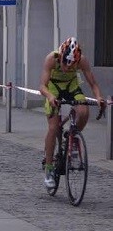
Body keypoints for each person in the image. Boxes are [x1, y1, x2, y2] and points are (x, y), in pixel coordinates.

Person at [39, 37, 105, 189]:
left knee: (83, 110)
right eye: (64, 64)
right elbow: (42, 86)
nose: (67, 68)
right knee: (53, 127)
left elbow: (93, 84)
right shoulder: (51, 58)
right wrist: (50, 96)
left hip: (71, 86)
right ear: (60, 56)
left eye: (71, 66)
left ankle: (72, 137)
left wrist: (99, 97)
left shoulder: (82, 60)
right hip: (53, 88)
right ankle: (49, 169)